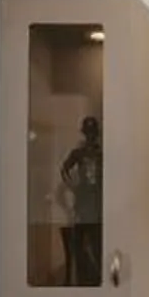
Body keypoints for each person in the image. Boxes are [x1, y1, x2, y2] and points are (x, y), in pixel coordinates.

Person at [59, 115, 104, 286]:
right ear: (84, 133)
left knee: (97, 246)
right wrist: (74, 187)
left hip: (98, 205)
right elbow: (64, 169)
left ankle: (97, 281)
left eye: (93, 132)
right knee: (78, 245)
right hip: (83, 205)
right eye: (88, 132)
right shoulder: (78, 153)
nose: (91, 136)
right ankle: (82, 281)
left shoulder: (102, 154)